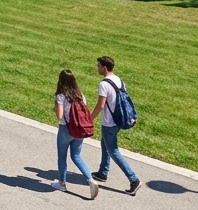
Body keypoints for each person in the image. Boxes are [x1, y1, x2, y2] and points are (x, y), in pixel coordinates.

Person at [91, 56, 141, 195]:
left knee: (113, 150)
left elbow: (100, 105)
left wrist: (89, 118)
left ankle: (133, 179)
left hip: (109, 122)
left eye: (99, 66)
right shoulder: (119, 80)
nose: (97, 68)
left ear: (104, 67)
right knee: (104, 144)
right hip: (119, 120)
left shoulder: (104, 84)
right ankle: (103, 172)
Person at [51, 69, 99, 198]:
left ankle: (62, 183)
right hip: (78, 130)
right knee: (76, 156)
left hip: (65, 130)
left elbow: (60, 116)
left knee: (62, 157)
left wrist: (56, 106)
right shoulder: (80, 96)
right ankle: (91, 180)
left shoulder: (61, 96)